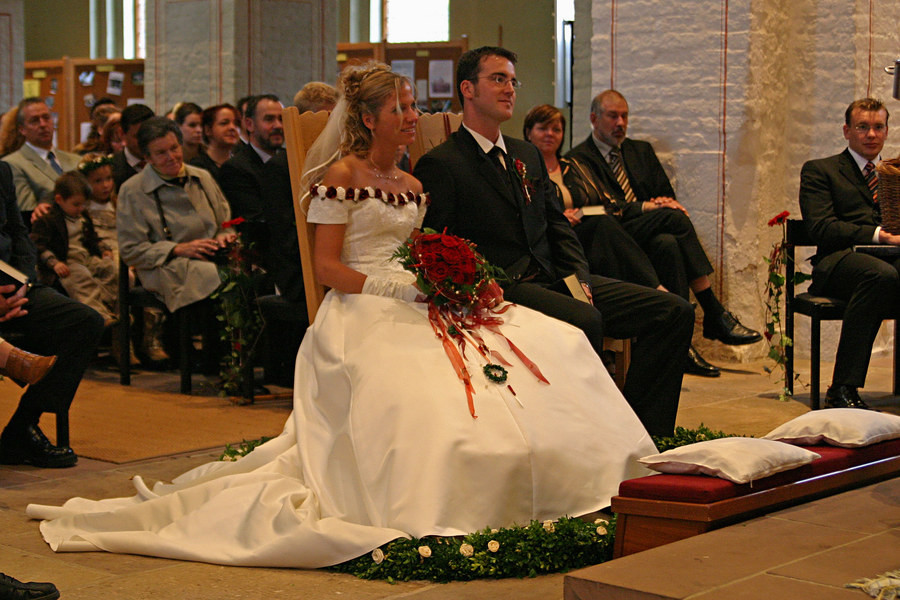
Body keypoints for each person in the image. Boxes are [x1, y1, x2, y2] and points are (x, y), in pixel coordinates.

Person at [26, 62, 656, 569]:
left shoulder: (409, 181)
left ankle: (575, 474)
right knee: (428, 400)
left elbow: (419, 248)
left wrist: (454, 279)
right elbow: (328, 268)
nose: (413, 118)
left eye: (412, 107)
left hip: (416, 295)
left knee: (551, 341)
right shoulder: (339, 176)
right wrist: (395, 293)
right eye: (401, 110)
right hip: (362, 310)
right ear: (369, 118)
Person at [415, 47, 694, 436]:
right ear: (467, 89)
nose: (510, 88)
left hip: (553, 277)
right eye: (498, 79)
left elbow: (557, 226)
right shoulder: (443, 163)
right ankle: (594, 437)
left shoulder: (525, 154)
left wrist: (579, 277)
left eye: (513, 80)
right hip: (504, 286)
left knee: (674, 311)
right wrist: (479, 285)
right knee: (585, 320)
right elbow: (438, 245)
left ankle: (646, 434)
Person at [524, 104, 720, 377]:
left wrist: (652, 205)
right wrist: (560, 217)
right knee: (605, 225)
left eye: (556, 129)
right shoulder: (525, 168)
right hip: (568, 245)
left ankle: (684, 329)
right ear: (528, 133)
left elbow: (605, 201)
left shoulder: (573, 166)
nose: (550, 134)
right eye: (542, 128)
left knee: (668, 237)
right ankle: (673, 300)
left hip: (597, 231)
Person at [567, 90, 762, 353]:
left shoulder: (641, 151)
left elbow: (665, 196)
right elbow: (604, 206)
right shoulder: (579, 158)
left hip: (647, 228)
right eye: (613, 116)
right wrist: (648, 206)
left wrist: (658, 206)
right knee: (674, 218)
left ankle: (682, 345)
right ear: (594, 118)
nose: (620, 123)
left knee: (668, 243)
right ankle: (714, 312)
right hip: (613, 234)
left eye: (624, 116)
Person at [0, 161, 104, 469]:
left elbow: (19, 235)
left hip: (11, 284)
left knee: (85, 322)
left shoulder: (2, 171)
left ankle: (22, 428)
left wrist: (23, 283)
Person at [798, 97, 893, 409]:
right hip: (838, 262)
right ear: (846, 131)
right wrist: (879, 235)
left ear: (887, 132)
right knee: (879, 276)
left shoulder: (893, 174)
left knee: (886, 274)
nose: (871, 134)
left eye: (878, 127)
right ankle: (842, 388)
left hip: (887, 263)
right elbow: (821, 228)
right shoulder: (820, 170)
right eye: (862, 127)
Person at [116, 117, 235, 313]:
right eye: (161, 153)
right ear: (148, 158)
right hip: (166, 265)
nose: (171, 157)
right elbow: (131, 250)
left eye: (174, 148)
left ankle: (239, 342)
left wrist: (224, 235)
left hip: (210, 256)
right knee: (220, 278)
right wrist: (178, 249)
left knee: (252, 274)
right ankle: (212, 342)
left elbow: (225, 221)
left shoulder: (201, 177)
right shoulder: (132, 190)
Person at [30, 172, 118, 327]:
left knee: (111, 268)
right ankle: (99, 314)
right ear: (59, 200)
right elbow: (38, 245)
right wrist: (54, 263)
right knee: (81, 276)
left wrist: (103, 249)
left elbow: (92, 237)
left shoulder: (83, 216)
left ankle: (106, 304)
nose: (81, 208)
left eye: (84, 204)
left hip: (85, 257)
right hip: (65, 261)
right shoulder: (49, 220)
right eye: (76, 204)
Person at [218, 94, 284, 253]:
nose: (278, 125)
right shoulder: (236, 168)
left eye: (281, 119)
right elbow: (254, 220)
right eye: (269, 119)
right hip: (264, 252)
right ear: (249, 124)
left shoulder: (290, 159)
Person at [1, 99, 80, 225]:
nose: (43, 124)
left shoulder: (76, 160)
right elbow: (28, 211)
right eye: (34, 121)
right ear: (22, 129)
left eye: (46, 118)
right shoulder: (12, 164)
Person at [189, 103, 240, 180]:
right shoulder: (198, 167)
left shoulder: (241, 164)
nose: (232, 128)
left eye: (236, 124)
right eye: (224, 123)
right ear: (208, 130)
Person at [111, 104, 154, 193]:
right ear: (122, 134)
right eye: (138, 136)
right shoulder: (111, 169)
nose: (145, 141)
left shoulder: (165, 163)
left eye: (149, 134)